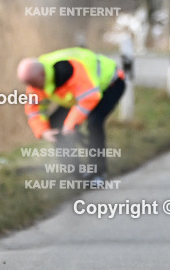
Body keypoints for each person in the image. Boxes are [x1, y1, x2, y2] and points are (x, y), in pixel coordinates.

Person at [17, 47, 126, 189]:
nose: (32, 88)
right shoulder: (35, 80)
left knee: (94, 122)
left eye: (34, 84)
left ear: (42, 75)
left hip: (110, 85)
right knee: (55, 125)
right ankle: (77, 174)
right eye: (29, 85)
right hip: (79, 95)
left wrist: (70, 125)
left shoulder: (68, 70)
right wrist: (43, 131)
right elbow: (34, 111)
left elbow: (90, 97)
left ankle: (99, 173)